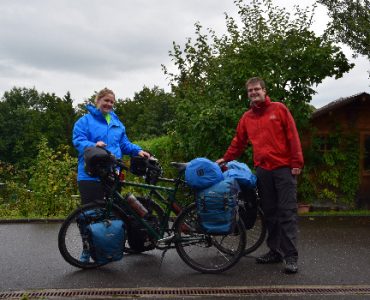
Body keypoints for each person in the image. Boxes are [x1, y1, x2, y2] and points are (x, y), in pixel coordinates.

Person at [216, 77, 304, 274]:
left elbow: (293, 135)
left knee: (287, 212)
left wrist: (297, 162)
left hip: (283, 168)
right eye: (250, 91)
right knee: (270, 212)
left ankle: (291, 257)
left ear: (264, 91)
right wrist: (225, 159)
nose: (254, 93)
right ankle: (275, 251)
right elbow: (238, 142)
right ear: (248, 94)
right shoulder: (247, 117)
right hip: (263, 170)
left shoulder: (279, 109)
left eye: (257, 89)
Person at [73, 88, 150, 205]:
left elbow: (124, 144)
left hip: (113, 173)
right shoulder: (84, 121)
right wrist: (94, 145)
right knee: (91, 212)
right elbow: (78, 141)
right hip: (90, 174)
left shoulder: (117, 124)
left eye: (112, 102)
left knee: (113, 212)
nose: (109, 104)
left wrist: (137, 150)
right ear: (98, 100)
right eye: (106, 100)